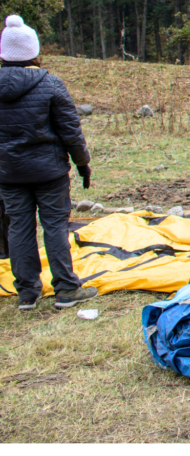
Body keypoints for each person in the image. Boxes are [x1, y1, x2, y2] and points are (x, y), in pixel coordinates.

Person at [0, 15, 96, 310]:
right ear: (34, 51)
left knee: (18, 227)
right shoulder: (51, 84)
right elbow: (71, 131)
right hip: (49, 171)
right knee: (54, 226)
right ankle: (66, 289)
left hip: (8, 173)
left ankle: (27, 293)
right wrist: (82, 164)